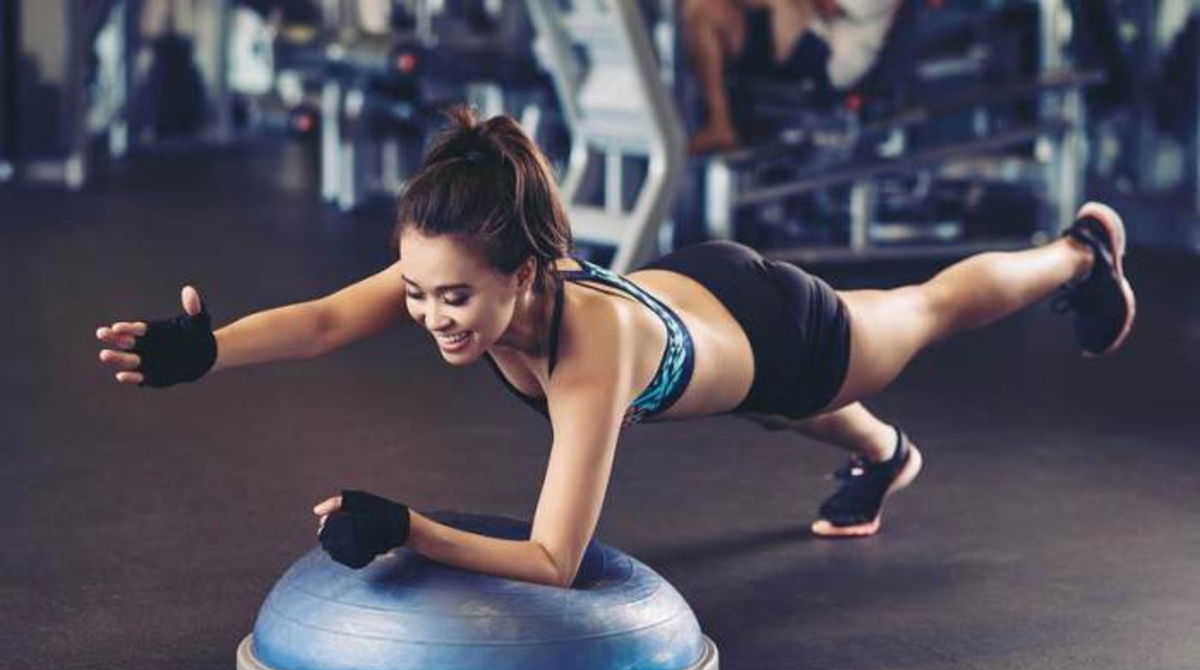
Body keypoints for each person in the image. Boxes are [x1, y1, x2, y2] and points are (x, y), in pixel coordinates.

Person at [95, 107, 1135, 587]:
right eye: (417, 291)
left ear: (527, 274)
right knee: (756, 404)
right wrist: (208, 350)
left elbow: (553, 559)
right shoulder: (470, 274)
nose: (431, 314)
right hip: (700, 297)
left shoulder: (590, 353)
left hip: (781, 331)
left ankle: (1079, 256)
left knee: (926, 307)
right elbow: (326, 320)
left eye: (454, 296)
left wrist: (407, 525)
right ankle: (883, 455)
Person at [683, 0, 903, 154]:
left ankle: (719, 123)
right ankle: (719, 122)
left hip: (827, 54)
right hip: (799, 22)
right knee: (701, 9)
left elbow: (830, 6)